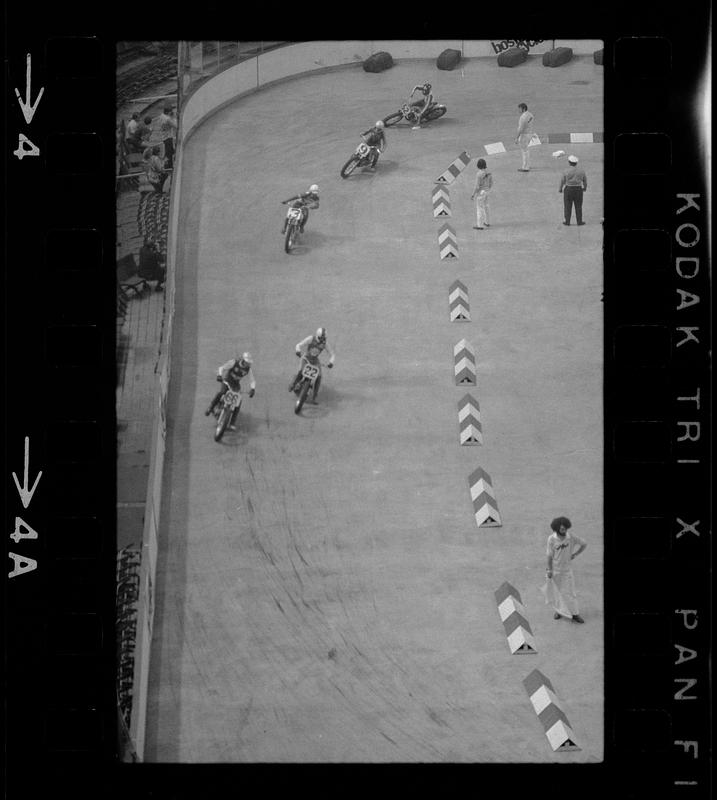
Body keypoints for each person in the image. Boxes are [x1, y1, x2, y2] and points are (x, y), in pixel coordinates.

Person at [544, 516, 587, 623]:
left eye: (566, 528)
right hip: (555, 570)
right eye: (562, 529)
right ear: (557, 529)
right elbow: (549, 556)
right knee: (557, 591)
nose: (565, 531)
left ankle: (575, 614)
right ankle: (559, 611)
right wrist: (549, 570)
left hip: (567, 570)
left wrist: (575, 554)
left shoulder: (571, 537)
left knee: (571, 592)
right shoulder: (551, 539)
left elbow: (584, 544)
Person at [204, 351, 256, 430]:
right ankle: (210, 408)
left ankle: (232, 423)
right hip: (227, 381)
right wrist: (219, 375)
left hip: (236, 385)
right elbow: (222, 368)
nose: (248, 364)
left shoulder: (248, 369)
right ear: (243, 360)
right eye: (247, 362)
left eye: (249, 363)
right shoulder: (234, 362)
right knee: (222, 392)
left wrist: (252, 389)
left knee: (238, 401)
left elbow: (252, 380)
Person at [288, 327, 335, 403]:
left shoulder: (325, 344)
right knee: (300, 371)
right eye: (321, 338)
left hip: (315, 361)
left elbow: (332, 354)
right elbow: (299, 345)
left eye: (324, 338)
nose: (322, 340)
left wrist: (331, 362)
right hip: (306, 358)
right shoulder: (311, 338)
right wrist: (298, 350)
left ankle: (314, 397)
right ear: (317, 336)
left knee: (319, 377)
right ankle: (293, 384)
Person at [559, 155, 588, 225]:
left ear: (569, 163)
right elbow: (585, 181)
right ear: (576, 163)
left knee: (567, 206)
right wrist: (584, 188)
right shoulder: (581, 171)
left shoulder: (566, 171)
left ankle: (567, 221)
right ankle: (579, 221)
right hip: (578, 189)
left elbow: (562, 181)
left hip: (568, 189)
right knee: (578, 206)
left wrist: (560, 189)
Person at [470, 158, 493, 230]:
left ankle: (479, 225)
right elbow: (491, 183)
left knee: (479, 208)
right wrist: (488, 189)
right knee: (486, 206)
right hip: (487, 191)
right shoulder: (489, 172)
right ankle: (487, 222)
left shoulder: (479, 174)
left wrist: (473, 194)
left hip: (481, 193)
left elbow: (477, 186)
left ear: (478, 166)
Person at [515, 102, 535, 172]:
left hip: (524, 136)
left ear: (523, 109)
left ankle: (525, 167)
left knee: (524, 151)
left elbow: (520, 129)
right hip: (530, 134)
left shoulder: (522, 117)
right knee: (526, 150)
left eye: (519, 109)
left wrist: (517, 138)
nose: (518, 110)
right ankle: (527, 165)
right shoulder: (531, 115)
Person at [158, 105, 177, 170]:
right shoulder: (168, 119)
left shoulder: (161, 115)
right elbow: (176, 126)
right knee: (169, 153)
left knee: (169, 151)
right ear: (168, 112)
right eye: (171, 111)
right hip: (168, 137)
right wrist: (173, 117)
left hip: (163, 136)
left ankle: (167, 164)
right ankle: (168, 167)